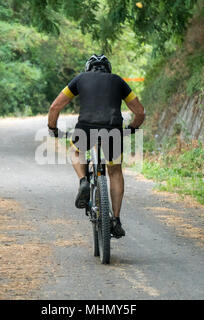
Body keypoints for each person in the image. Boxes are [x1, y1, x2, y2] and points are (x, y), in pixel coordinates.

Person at [47, 54, 145, 238]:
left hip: (86, 128)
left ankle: (84, 181)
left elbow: (55, 107)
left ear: (88, 68)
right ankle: (115, 220)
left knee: (76, 152)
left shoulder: (80, 79)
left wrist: (52, 128)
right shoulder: (118, 81)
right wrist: (132, 128)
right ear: (108, 69)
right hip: (112, 130)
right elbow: (139, 111)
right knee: (114, 170)